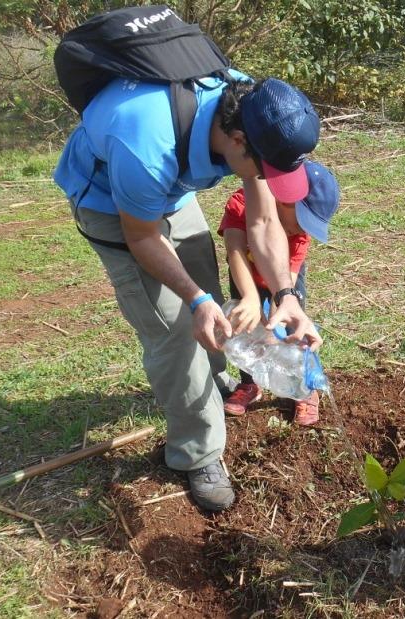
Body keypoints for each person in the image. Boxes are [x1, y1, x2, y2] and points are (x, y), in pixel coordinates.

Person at [53, 73, 324, 512]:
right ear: (236, 141)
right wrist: (193, 300)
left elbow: (263, 222)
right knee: (175, 329)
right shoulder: (145, 143)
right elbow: (142, 238)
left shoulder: (254, 111)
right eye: (264, 171)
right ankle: (197, 453)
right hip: (114, 201)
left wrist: (286, 294)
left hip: (173, 190)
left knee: (210, 296)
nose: (264, 179)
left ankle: (213, 381)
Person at [219, 160, 340, 423]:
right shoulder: (242, 204)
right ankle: (250, 383)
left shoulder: (300, 234)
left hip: (283, 281)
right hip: (246, 277)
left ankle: (305, 391)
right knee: (246, 324)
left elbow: (290, 278)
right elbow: (235, 251)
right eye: (302, 221)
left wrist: (277, 319)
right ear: (286, 200)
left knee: (294, 331)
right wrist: (250, 298)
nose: (302, 230)